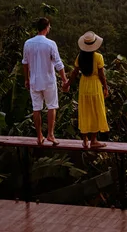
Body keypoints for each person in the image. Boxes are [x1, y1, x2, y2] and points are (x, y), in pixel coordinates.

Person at [22, 17, 68, 145]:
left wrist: (26, 79)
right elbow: (58, 63)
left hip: (34, 81)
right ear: (47, 27)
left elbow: (25, 63)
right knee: (52, 106)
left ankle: (39, 136)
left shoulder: (28, 43)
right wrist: (65, 80)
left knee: (36, 108)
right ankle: (50, 134)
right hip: (48, 80)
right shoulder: (50, 44)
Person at [64, 31, 109, 149]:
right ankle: (93, 140)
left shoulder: (80, 57)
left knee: (84, 112)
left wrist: (68, 83)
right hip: (95, 85)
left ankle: (85, 140)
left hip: (84, 85)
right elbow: (101, 75)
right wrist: (105, 87)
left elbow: (74, 73)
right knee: (96, 111)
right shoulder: (98, 57)